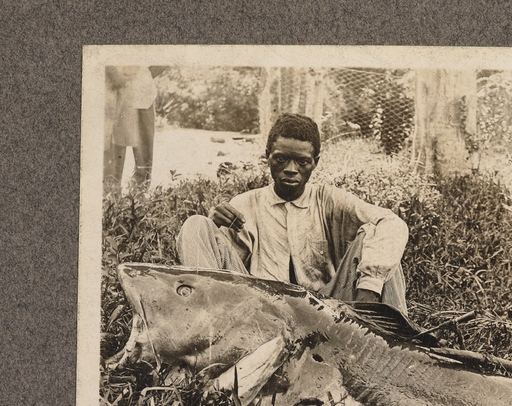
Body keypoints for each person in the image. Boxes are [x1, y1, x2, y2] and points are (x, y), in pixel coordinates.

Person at [176, 113, 409, 313]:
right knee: (196, 224)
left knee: (381, 245)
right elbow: (223, 269)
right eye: (281, 159)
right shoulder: (246, 204)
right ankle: (206, 328)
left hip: (327, 309)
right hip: (260, 309)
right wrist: (213, 227)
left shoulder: (328, 199)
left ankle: (394, 341)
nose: (290, 170)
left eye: (302, 162)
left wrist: (370, 283)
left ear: (315, 162)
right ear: (267, 155)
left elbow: (391, 222)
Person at [104, 66, 166, 192]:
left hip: (142, 90)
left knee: (144, 150)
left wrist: (146, 71)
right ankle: (111, 196)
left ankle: (138, 195)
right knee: (114, 148)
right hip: (115, 90)